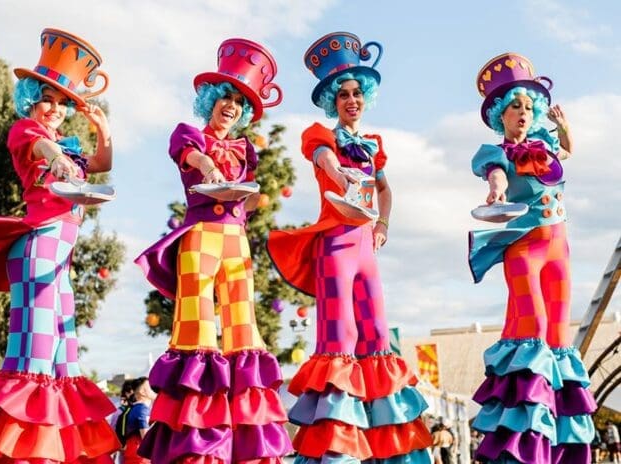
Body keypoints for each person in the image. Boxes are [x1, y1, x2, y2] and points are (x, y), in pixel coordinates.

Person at [267, 32, 432, 463]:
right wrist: (341, 176)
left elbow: (384, 189)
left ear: (367, 96)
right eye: (343, 94)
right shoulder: (320, 133)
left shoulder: (375, 145)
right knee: (339, 336)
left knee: (377, 337)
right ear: (331, 100)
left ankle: (388, 449)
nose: (351, 99)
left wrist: (384, 223)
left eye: (358, 92)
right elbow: (324, 159)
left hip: (365, 248)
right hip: (335, 243)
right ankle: (336, 451)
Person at [0, 28, 119, 462]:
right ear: (32, 97)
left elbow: (101, 164)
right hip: (36, 250)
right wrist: (60, 161)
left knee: (65, 363)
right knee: (33, 360)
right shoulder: (25, 131)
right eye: (48, 98)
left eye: (64, 102)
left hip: (60, 259)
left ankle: (60, 454)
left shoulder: (67, 141)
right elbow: (42, 147)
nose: (56, 109)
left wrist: (101, 131)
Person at [134, 38, 291, 464]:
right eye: (226, 98)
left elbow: (250, 200)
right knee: (195, 330)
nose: (232, 108)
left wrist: (259, 197)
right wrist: (209, 167)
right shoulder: (188, 134)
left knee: (243, 330)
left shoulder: (246, 149)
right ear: (209, 100)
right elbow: (192, 159)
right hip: (199, 237)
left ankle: (249, 444)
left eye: (240, 103)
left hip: (236, 240)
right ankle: (194, 446)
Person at [469, 52, 597, 463]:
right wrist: (496, 190)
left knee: (560, 341)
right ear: (499, 115)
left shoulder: (546, 145)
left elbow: (570, 149)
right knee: (533, 332)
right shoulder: (495, 152)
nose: (522, 113)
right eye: (513, 107)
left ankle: (561, 447)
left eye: (527, 106)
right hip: (524, 251)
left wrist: (562, 125)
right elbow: (497, 173)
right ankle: (523, 445)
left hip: (559, 249)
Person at [123, 377, 156, 464]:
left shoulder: (136, 408)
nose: (153, 388)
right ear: (142, 392)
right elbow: (145, 437)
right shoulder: (142, 410)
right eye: (150, 386)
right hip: (140, 455)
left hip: (134, 452)